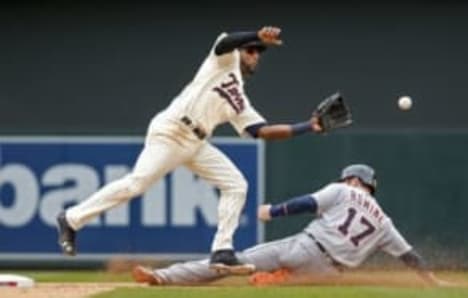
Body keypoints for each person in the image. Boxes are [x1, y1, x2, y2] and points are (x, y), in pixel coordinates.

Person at [56, 26, 324, 274]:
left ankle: (221, 250)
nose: (255, 56)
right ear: (240, 52)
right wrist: (256, 33)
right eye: (251, 50)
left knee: (236, 184)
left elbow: (262, 132)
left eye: (258, 53)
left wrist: (309, 126)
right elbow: (226, 41)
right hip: (171, 131)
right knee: (136, 184)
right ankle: (70, 219)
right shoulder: (223, 61)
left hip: (196, 143)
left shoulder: (240, 100)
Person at [131, 164, 447, 286]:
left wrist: (273, 211)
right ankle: (278, 279)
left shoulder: (343, 189)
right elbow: (410, 257)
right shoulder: (384, 221)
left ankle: (161, 277)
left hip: (306, 247)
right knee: (283, 281)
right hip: (329, 274)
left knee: (230, 262)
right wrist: (432, 282)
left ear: (353, 179)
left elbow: (307, 204)